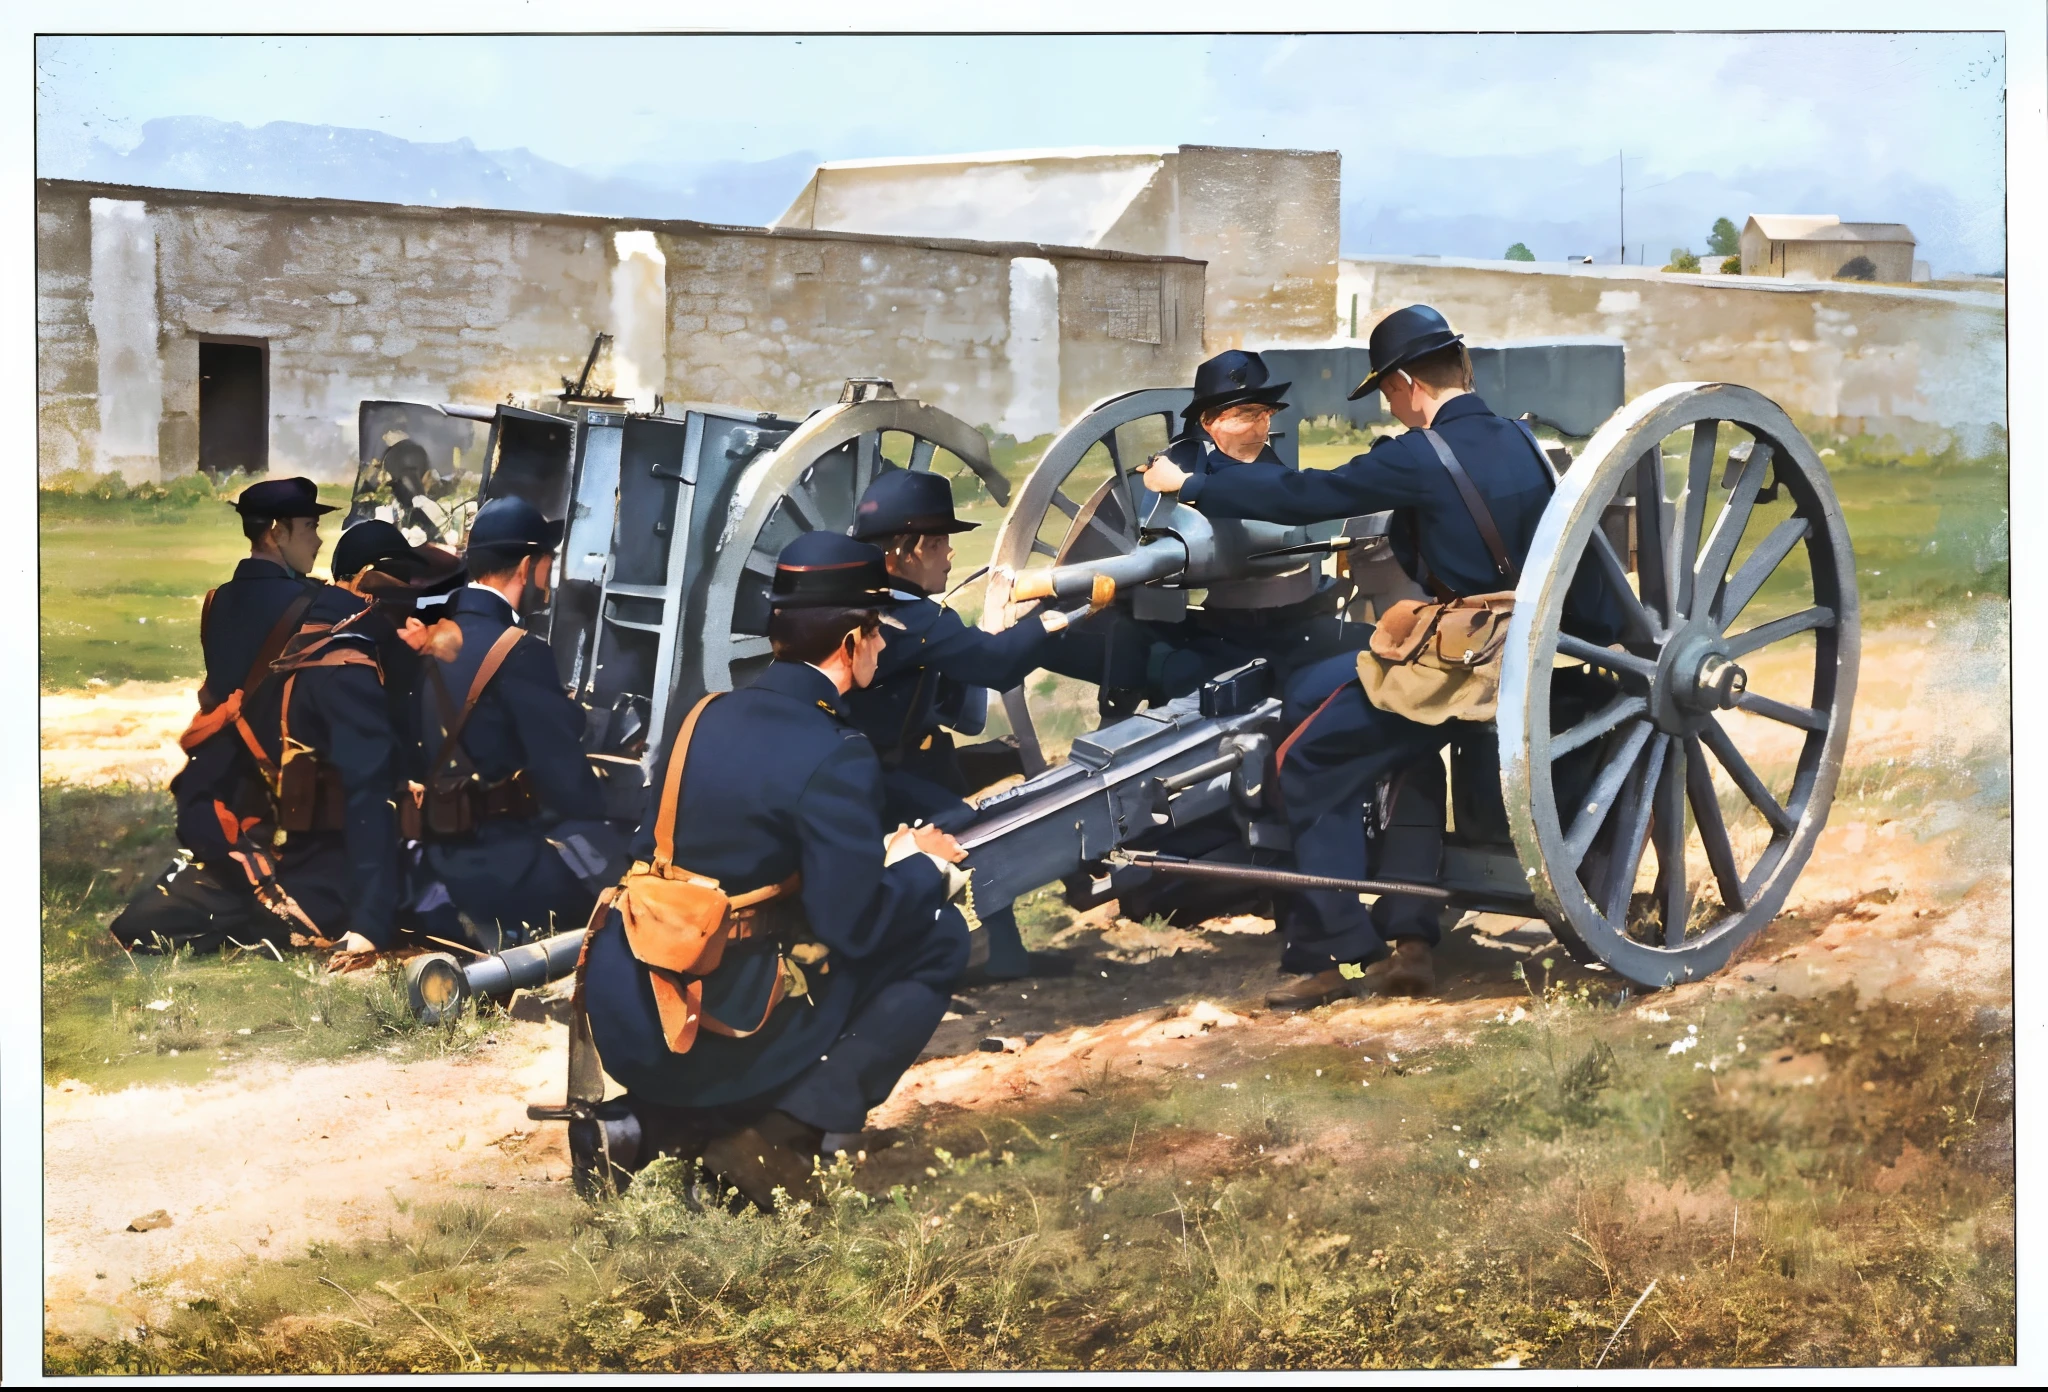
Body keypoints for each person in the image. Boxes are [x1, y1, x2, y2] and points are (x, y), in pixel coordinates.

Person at [1144, 305, 1610, 1008]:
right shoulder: (1523, 442)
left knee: (1300, 759)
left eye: (1388, 394)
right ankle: (1409, 931)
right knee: (1322, 701)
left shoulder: (1418, 454)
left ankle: (1341, 949)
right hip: (1537, 645)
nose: (1392, 409)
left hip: (1467, 662)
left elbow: (1306, 497)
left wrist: (1194, 485)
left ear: (1406, 384)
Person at [580, 531, 971, 1210]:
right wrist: (927, 871)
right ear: (851, 642)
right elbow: (856, 925)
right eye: (878, 633)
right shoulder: (836, 749)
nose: (884, 647)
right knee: (939, 936)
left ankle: (638, 1128)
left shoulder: (705, 714)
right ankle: (788, 1134)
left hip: (631, 1003)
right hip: (714, 1018)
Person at [111, 510, 430, 958]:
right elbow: (368, 799)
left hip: (263, 850)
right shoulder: (349, 668)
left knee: (150, 922)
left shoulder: (297, 640)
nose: (412, 605)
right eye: (404, 590)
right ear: (370, 585)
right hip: (321, 873)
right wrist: (371, 925)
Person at [844, 467, 1075, 980]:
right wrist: (1055, 619)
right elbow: (993, 665)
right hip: (870, 773)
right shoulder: (912, 618)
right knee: (968, 828)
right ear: (907, 549)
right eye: (941, 542)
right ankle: (972, 957)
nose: (950, 554)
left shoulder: (865, 599)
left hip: (894, 755)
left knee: (960, 799)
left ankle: (1003, 954)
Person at [415, 496, 622, 948]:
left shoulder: (434, 637)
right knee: (628, 889)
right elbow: (570, 787)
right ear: (528, 566)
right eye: (548, 563)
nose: (549, 581)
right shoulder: (521, 652)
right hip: (506, 869)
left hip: (436, 860)